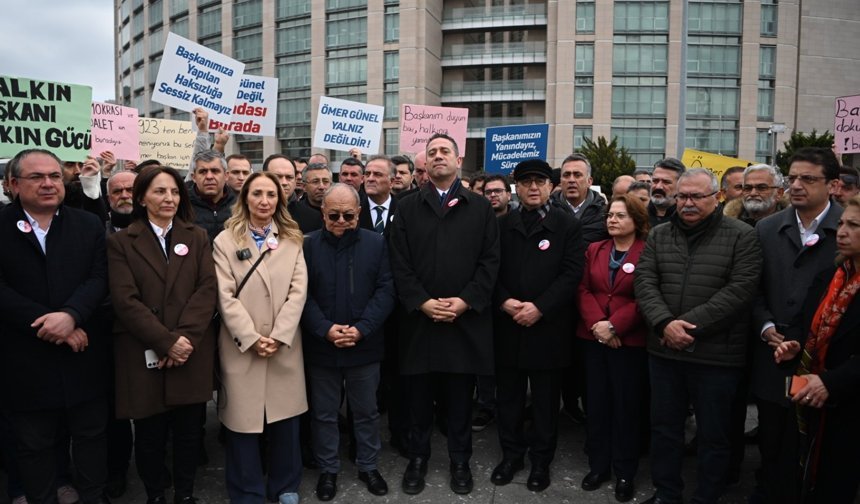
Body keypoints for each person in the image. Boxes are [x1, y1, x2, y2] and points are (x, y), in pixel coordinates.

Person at [634, 168, 761, 504]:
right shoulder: (660, 235)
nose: (687, 203)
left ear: (716, 197)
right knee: (665, 430)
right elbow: (645, 283)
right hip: (664, 352)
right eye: (682, 197)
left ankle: (707, 496)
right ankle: (666, 492)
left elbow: (740, 292)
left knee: (713, 435)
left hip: (716, 356)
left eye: (696, 196)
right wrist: (664, 324)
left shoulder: (742, 236)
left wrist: (685, 326)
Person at [389, 133, 500, 496]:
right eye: (432, 152)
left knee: (458, 401)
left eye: (444, 151)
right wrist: (422, 301)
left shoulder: (480, 208)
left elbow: (490, 263)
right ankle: (418, 459)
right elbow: (399, 262)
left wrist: (465, 301)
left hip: (463, 324)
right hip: (419, 322)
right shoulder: (405, 206)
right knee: (418, 400)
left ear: (458, 159)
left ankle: (460, 461)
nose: (438, 157)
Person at [0, 149, 111, 504]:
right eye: (37, 177)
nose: (48, 183)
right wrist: (50, 323)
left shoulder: (87, 224)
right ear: (14, 184)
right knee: (34, 446)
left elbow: (99, 277)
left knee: (92, 438)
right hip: (26, 360)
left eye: (54, 176)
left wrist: (72, 315)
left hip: (83, 356)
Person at [107, 165, 217, 504]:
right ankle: (155, 494)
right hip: (144, 350)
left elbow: (206, 289)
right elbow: (125, 300)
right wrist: (166, 341)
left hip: (190, 348)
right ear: (141, 198)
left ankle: (184, 494)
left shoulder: (196, 235)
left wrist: (183, 339)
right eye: (159, 191)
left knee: (187, 433)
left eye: (173, 191)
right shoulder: (122, 242)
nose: (168, 198)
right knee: (150, 434)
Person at [750, 147, 842, 504]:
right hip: (774, 352)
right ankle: (770, 488)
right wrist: (765, 325)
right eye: (793, 178)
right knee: (773, 432)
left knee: (819, 435)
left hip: (825, 357)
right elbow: (752, 287)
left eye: (809, 179)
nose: (798, 186)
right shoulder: (768, 228)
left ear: (833, 184)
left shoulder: (848, 228)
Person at [212, 171, 308, 504]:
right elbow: (225, 297)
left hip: (283, 346)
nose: (264, 201)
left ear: (279, 200)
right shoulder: (225, 241)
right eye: (257, 194)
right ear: (245, 199)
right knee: (242, 424)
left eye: (271, 194)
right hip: (242, 346)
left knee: (285, 422)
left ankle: (285, 486)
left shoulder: (293, 239)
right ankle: (246, 491)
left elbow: (298, 292)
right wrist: (252, 338)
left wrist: (279, 336)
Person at [490, 160, 584, 492]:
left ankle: (541, 462)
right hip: (508, 327)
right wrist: (504, 301)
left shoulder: (567, 225)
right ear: (516, 187)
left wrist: (541, 307)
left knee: (545, 404)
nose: (533, 187)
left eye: (540, 182)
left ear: (550, 186)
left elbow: (572, 274)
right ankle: (511, 456)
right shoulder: (501, 225)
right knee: (510, 400)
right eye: (526, 181)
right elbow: (490, 270)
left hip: (548, 329)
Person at [302, 184, 397, 501]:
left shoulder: (376, 243)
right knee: (324, 414)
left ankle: (368, 465)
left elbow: (386, 290)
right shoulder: (308, 245)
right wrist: (325, 329)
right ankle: (328, 469)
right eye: (333, 215)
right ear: (322, 213)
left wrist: (362, 329)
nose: (341, 220)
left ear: (359, 213)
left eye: (348, 215)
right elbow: (302, 295)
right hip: (322, 346)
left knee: (366, 411)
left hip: (364, 345)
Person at [772, 193, 860, 503]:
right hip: (807, 392)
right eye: (842, 223)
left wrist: (831, 382)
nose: (843, 232)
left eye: (854, 225)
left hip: (847, 403)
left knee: (837, 482)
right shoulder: (830, 276)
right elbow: (803, 322)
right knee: (799, 471)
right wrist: (793, 346)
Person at [577, 193, 650, 503]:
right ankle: (599, 466)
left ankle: (624, 471)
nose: (612, 220)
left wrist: (615, 326)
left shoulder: (647, 252)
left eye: (620, 216)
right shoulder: (595, 249)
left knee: (626, 408)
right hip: (593, 339)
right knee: (596, 405)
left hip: (628, 342)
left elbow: (644, 296)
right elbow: (583, 289)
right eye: (610, 215)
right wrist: (599, 326)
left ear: (636, 220)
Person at [551, 153, 608, 243]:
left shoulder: (604, 214)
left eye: (577, 175)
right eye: (566, 175)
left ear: (589, 181)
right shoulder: (547, 211)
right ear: (560, 181)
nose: (571, 180)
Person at [188, 149, 237, 242]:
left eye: (215, 171)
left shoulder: (240, 205)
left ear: (226, 176)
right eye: (203, 171)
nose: (209, 176)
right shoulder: (182, 205)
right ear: (193, 177)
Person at [722, 163, 787, 226]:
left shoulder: (792, 224)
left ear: (779, 193)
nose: (753, 193)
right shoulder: (725, 225)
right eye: (748, 188)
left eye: (761, 187)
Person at [648, 158, 685, 227]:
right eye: (655, 181)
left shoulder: (687, 220)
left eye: (666, 182)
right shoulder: (637, 217)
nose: (658, 187)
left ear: (680, 186)